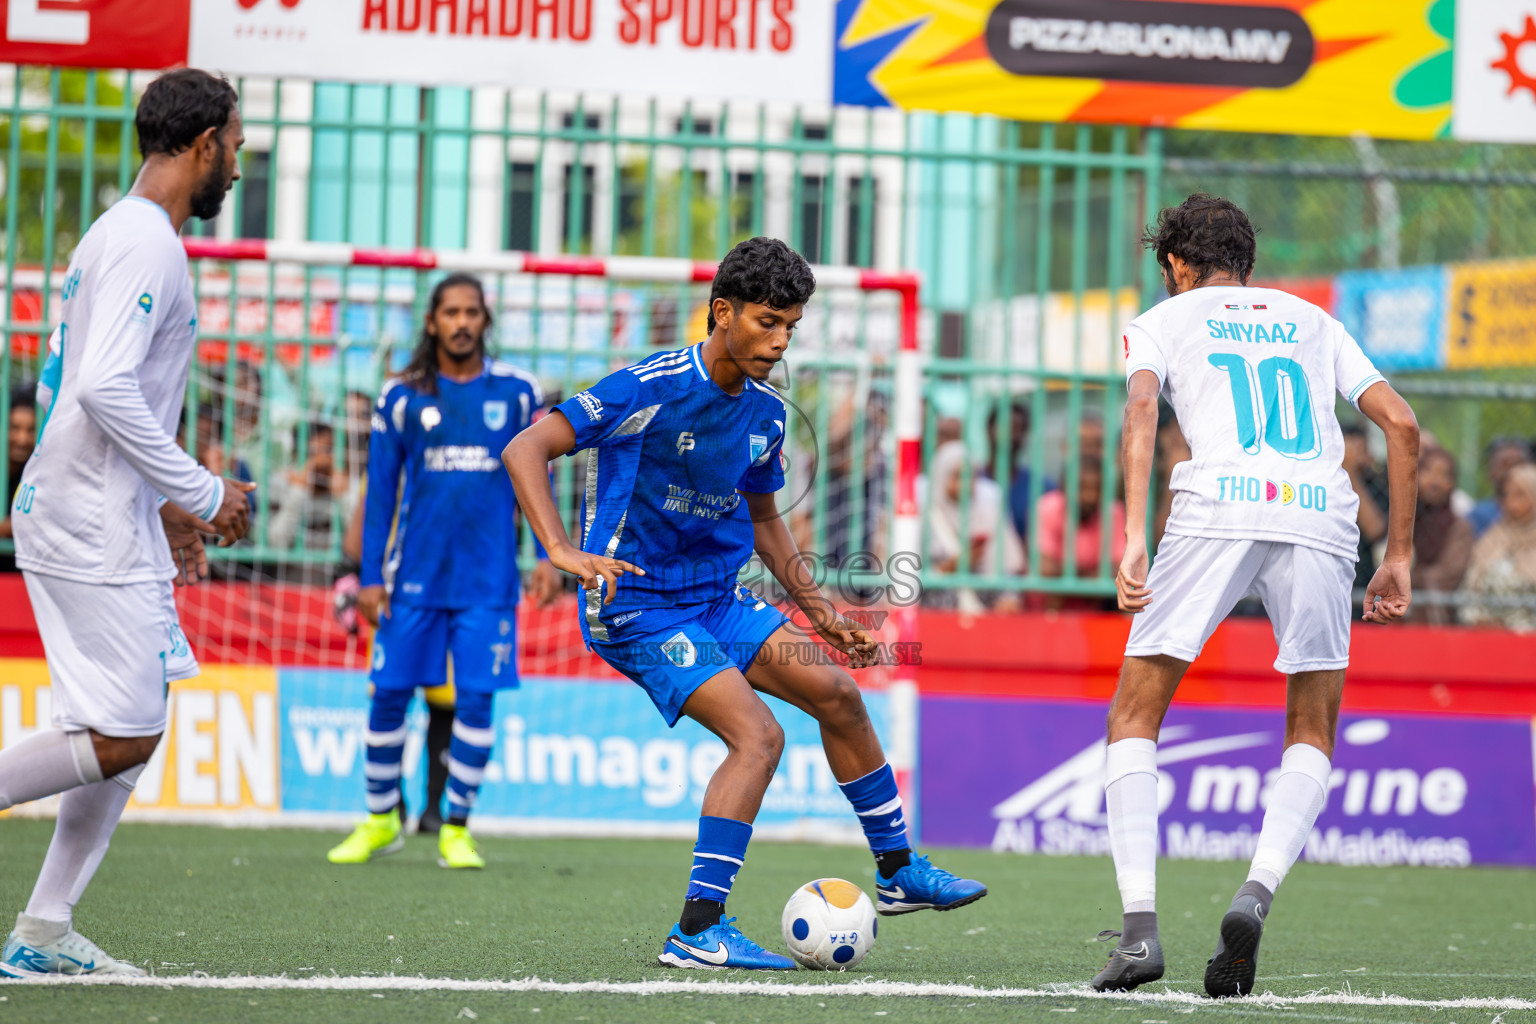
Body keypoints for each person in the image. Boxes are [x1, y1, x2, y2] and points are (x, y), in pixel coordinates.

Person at [504, 237, 986, 972]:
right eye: (767, 322)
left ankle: (897, 873)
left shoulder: (765, 413)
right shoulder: (648, 386)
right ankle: (698, 928)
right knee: (758, 738)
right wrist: (558, 548)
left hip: (716, 600)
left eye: (790, 326)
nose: (780, 340)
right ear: (721, 312)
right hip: (634, 604)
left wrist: (820, 610)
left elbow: (764, 521)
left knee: (838, 694)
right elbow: (525, 448)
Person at [1098, 194, 1418, 996]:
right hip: (1321, 511)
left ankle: (1139, 930)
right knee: (1311, 724)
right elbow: (1403, 425)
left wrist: (1135, 531)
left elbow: (1142, 408)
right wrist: (1400, 556)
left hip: (1216, 505)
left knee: (1136, 712)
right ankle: (1254, 895)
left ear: (1176, 264)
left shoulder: (1162, 320)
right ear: (1246, 260)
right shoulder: (1313, 320)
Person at [0, 69, 254, 979]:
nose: (239, 158)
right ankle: (42, 930)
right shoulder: (148, 242)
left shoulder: (121, 230)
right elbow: (104, 389)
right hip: (85, 518)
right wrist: (200, 488)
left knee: (122, 726)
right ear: (202, 147)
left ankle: (42, 931)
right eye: (235, 140)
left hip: (98, 511)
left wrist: (168, 507)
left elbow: (113, 388)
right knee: (129, 730)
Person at [326, 272, 555, 870]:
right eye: (449, 312)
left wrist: (550, 555)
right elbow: (379, 492)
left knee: (477, 701)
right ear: (432, 321)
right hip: (412, 581)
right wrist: (370, 575)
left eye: (471, 312)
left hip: (488, 581)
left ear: (484, 320)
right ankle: (380, 820)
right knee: (388, 696)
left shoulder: (517, 392)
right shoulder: (400, 397)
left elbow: (538, 481)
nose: (460, 322)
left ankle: (456, 827)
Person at [918, 440, 1024, 613]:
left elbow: (1008, 566)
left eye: (971, 475)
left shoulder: (989, 507)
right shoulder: (923, 512)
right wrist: (950, 567)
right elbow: (905, 582)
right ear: (941, 476)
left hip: (985, 614)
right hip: (935, 611)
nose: (966, 484)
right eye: (957, 475)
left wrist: (1009, 598)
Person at [1035, 451, 1127, 608]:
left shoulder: (1114, 513)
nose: (1089, 496)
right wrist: (1093, 579)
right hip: (1048, 609)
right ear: (1063, 486)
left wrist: (1068, 579)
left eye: (1096, 488)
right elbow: (1046, 570)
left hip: (1096, 610)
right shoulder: (1047, 507)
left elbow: (1119, 572)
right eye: (1080, 487)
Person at [1460, 463, 1536, 632]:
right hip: (1487, 635)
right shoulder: (1493, 537)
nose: (1511, 503)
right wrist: (1480, 620)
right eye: (1507, 495)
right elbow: (1471, 587)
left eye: (1521, 495)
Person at [1409, 448, 1472, 625]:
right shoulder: (1403, 520)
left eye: (1444, 475)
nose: (1435, 482)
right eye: (1428, 471)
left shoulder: (1459, 528)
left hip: (1437, 617)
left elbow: (1447, 574)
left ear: (1452, 483)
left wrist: (1410, 577)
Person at [1342, 423, 1389, 597]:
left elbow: (1375, 530)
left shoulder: (1374, 483)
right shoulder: (1320, 478)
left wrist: (1350, 473)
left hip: (1360, 580)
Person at [1, 388, 38, 571]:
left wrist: (10, 526)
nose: (22, 439)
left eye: (31, 430)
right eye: (14, 428)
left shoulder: (38, 473)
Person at [1467, 437, 1531, 538]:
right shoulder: (1478, 516)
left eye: (1518, 464)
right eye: (1505, 465)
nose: (1512, 472)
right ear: (1490, 473)